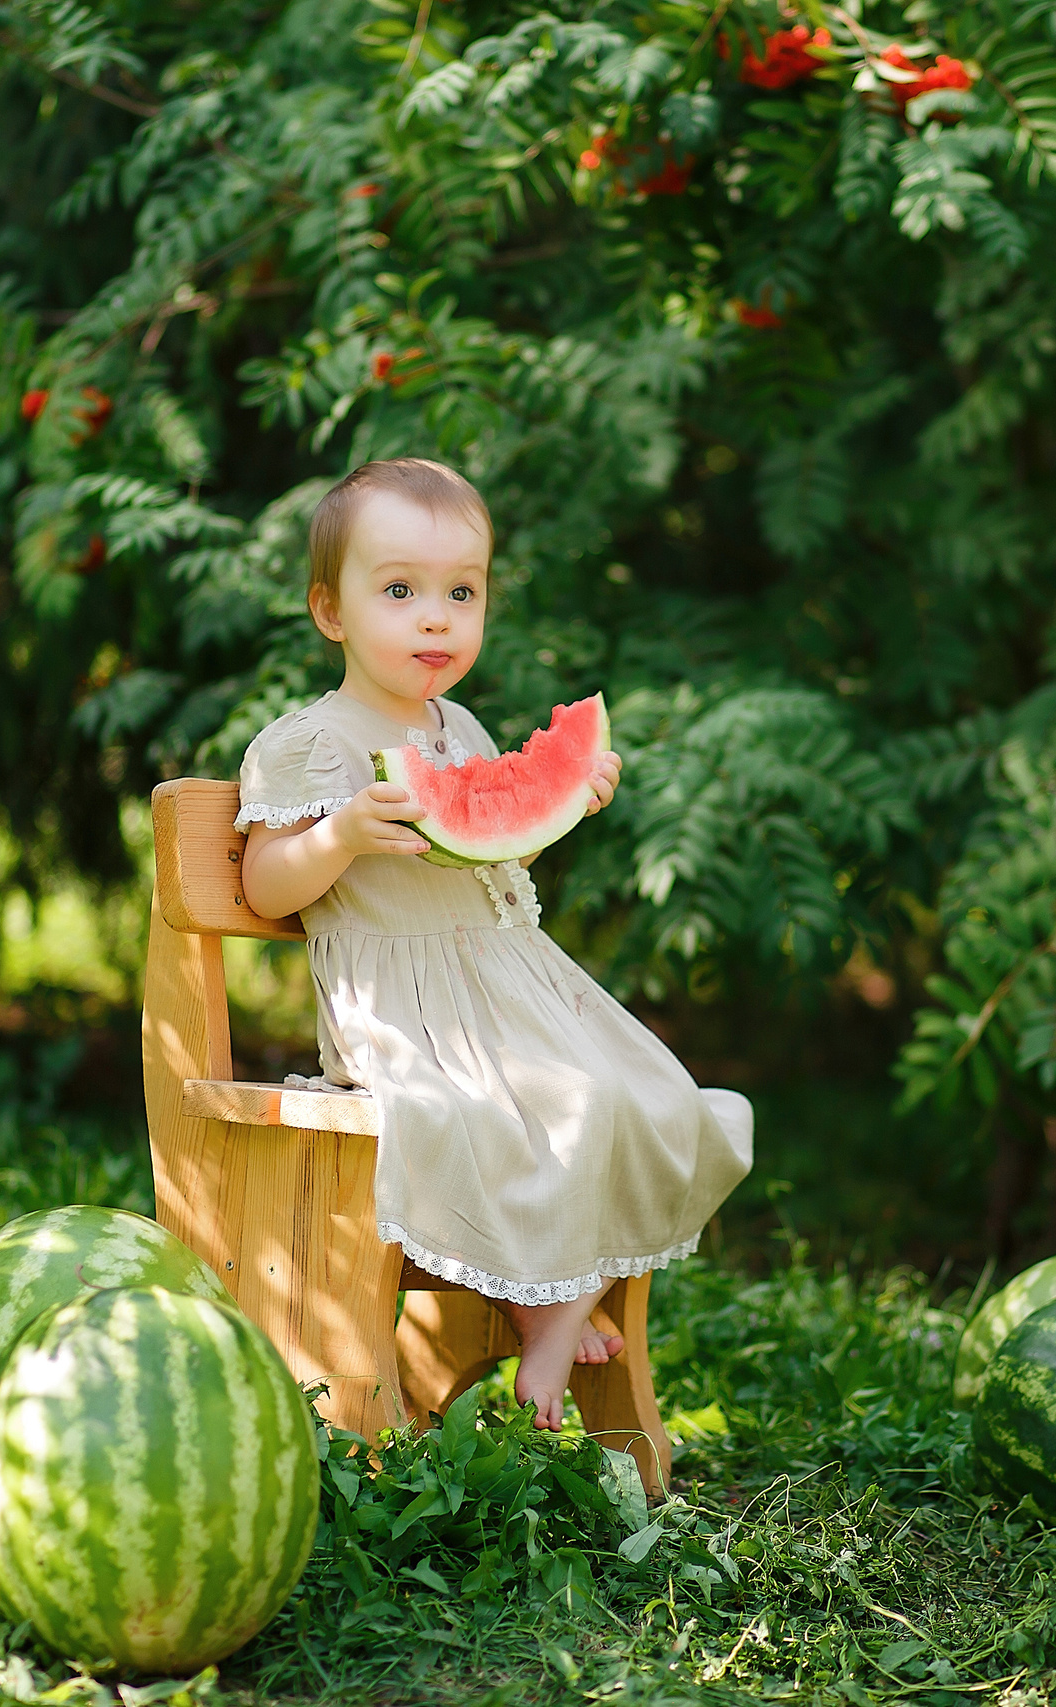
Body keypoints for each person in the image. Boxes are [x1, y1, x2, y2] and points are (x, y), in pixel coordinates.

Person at [234, 457, 753, 1431]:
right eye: (399, 591)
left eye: (460, 593)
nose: (436, 618)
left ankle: (558, 1288)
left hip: (507, 990)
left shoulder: (460, 728)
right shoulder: (308, 743)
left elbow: (488, 840)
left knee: (629, 1093)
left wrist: (566, 798)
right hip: (404, 1012)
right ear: (329, 611)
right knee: (495, 1110)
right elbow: (265, 884)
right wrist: (338, 833)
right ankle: (547, 1311)